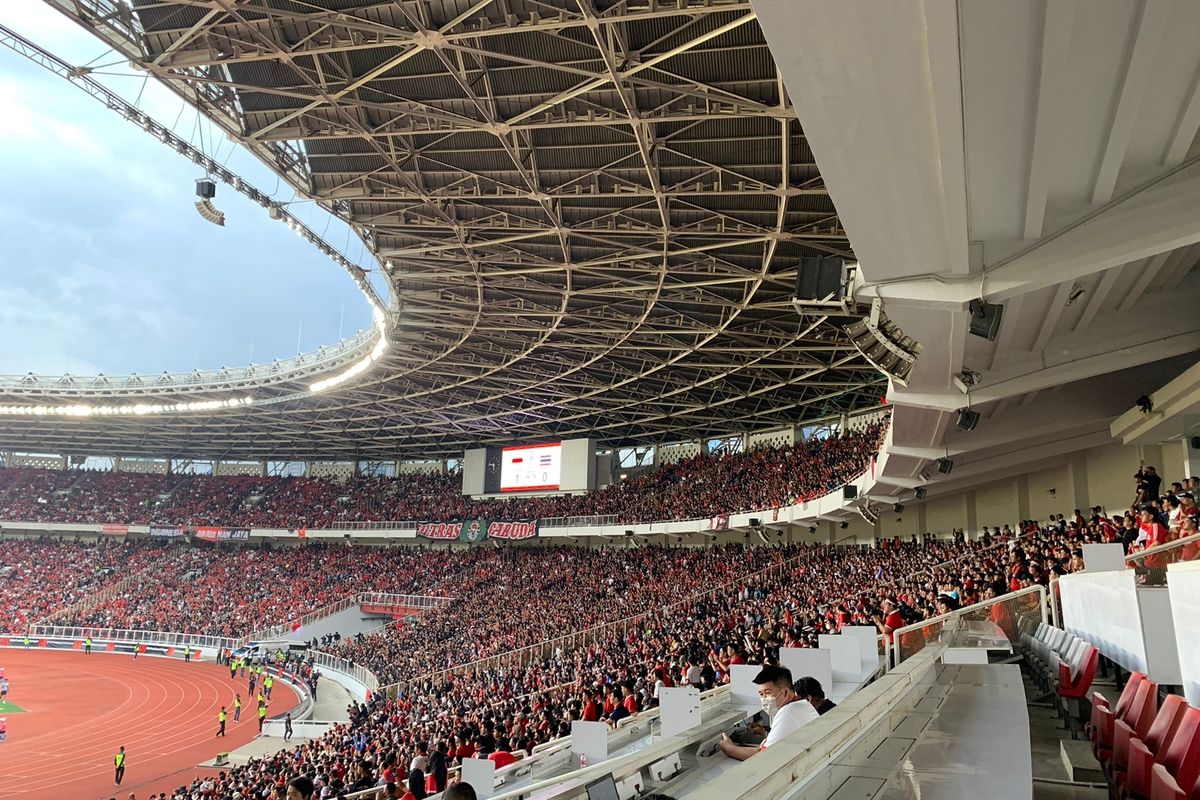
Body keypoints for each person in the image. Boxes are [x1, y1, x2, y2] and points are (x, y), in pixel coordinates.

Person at [717, 666, 818, 760]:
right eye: (761, 694)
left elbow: (764, 757)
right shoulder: (802, 705)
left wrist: (729, 748)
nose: (764, 699)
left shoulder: (787, 713)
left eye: (768, 693)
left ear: (785, 692)